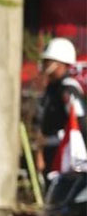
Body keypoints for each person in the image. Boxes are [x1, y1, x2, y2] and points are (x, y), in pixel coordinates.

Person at [36, 38, 86, 176]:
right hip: (50, 153)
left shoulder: (68, 89)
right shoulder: (51, 88)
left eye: (48, 61)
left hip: (65, 155)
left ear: (59, 63)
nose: (44, 65)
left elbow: (78, 125)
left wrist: (52, 139)